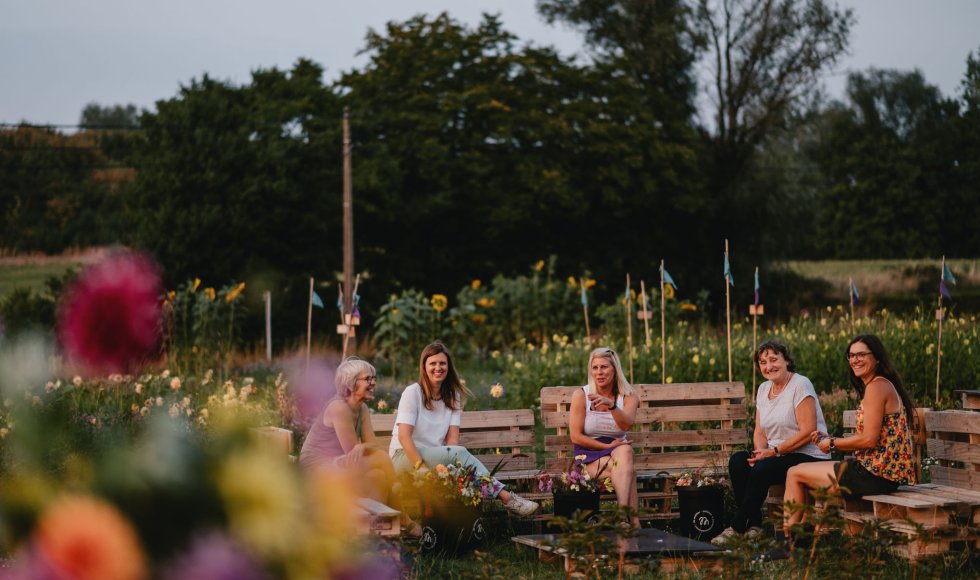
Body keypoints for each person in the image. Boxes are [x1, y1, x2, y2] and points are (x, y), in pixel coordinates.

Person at [762, 334, 917, 561]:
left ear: (877, 358)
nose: (855, 359)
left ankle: (788, 545)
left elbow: (869, 440)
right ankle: (799, 544)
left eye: (862, 354)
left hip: (874, 473)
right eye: (851, 355)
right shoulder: (879, 385)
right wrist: (831, 438)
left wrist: (832, 443)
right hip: (879, 471)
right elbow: (874, 438)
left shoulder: (877, 388)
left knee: (794, 473)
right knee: (802, 476)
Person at [388, 341, 539, 516]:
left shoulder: (452, 396)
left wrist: (450, 468)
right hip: (404, 457)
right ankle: (507, 498)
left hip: (433, 458)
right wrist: (421, 468)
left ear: (449, 367)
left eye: (442, 363)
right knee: (459, 455)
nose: (438, 368)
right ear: (424, 367)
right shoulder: (412, 393)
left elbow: (452, 441)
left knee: (458, 461)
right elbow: (404, 437)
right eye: (433, 363)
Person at [712, 340, 831, 545]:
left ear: (786, 361)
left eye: (774, 360)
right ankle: (754, 525)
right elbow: (759, 430)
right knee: (739, 461)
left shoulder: (800, 384)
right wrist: (761, 452)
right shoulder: (763, 389)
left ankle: (737, 526)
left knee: (764, 468)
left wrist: (773, 452)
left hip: (809, 454)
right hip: (776, 455)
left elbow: (808, 431)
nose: (768, 367)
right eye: (763, 362)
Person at [299, 357, 421, 536]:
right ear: (350, 383)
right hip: (318, 472)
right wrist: (363, 449)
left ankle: (371, 532)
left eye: (374, 378)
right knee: (380, 460)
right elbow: (353, 454)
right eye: (368, 379)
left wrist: (363, 447)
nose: (373, 383)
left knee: (378, 475)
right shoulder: (339, 409)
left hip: (340, 466)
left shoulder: (361, 408)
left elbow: (371, 444)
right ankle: (405, 519)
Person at [568, 347, 639, 525]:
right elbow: (575, 437)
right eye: (595, 368)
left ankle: (622, 517)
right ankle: (634, 522)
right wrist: (608, 447)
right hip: (588, 455)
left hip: (618, 452)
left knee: (625, 452)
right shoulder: (581, 395)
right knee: (628, 471)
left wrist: (612, 406)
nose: (599, 373)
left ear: (615, 370)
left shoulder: (628, 396)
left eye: (604, 367)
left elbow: (626, 425)